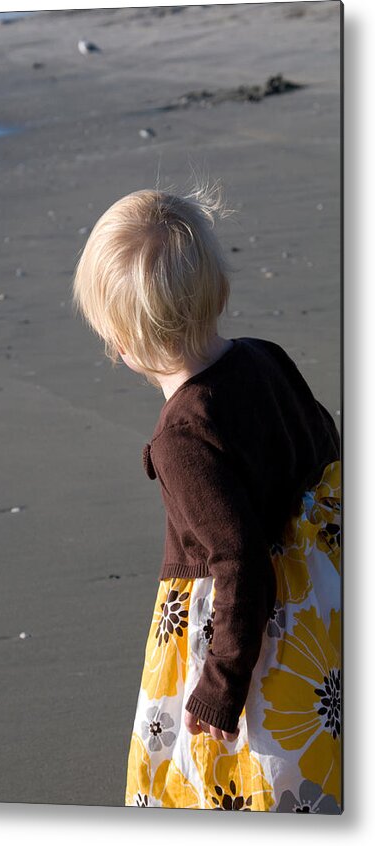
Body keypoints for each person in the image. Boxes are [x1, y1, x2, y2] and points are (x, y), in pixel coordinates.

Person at [72, 184, 341, 813]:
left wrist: (222, 682)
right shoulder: (264, 357)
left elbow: (238, 561)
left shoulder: (181, 438)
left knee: (239, 768)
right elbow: (324, 447)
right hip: (325, 598)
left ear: (119, 339)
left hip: (249, 630)